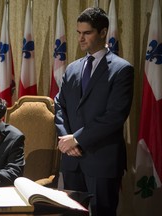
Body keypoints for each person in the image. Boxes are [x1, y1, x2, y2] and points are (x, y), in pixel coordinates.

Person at [54, 7, 134, 216]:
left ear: (103, 32)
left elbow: (115, 116)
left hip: (102, 160)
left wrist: (77, 139)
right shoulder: (72, 69)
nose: (81, 38)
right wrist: (66, 140)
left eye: (87, 33)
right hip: (72, 160)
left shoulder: (122, 69)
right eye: (78, 33)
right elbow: (59, 105)